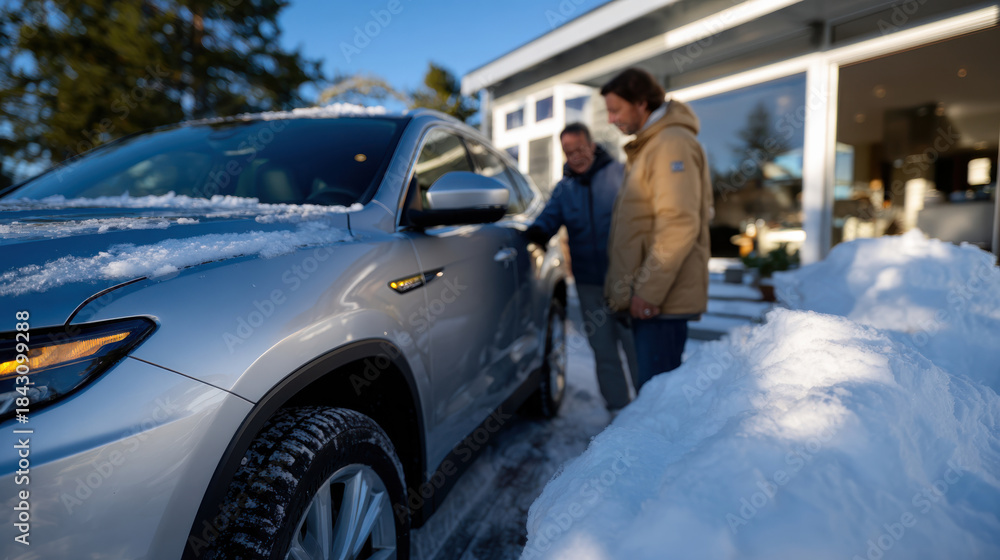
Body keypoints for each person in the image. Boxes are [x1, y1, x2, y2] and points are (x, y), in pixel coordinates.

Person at [600, 67, 713, 390]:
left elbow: (678, 223)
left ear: (641, 103)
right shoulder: (652, 145)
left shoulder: (671, 144)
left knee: (656, 404)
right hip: (652, 301)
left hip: (659, 304)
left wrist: (649, 291)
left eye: (616, 110)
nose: (611, 119)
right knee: (653, 399)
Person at [527, 123, 638, 411]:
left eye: (579, 149)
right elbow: (548, 218)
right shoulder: (564, 189)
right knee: (603, 349)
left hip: (626, 280)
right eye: (568, 152)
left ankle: (650, 408)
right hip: (589, 284)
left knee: (636, 347)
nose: (575, 156)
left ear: (592, 146)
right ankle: (618, 411)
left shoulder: (619, 174)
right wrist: (535, 233)